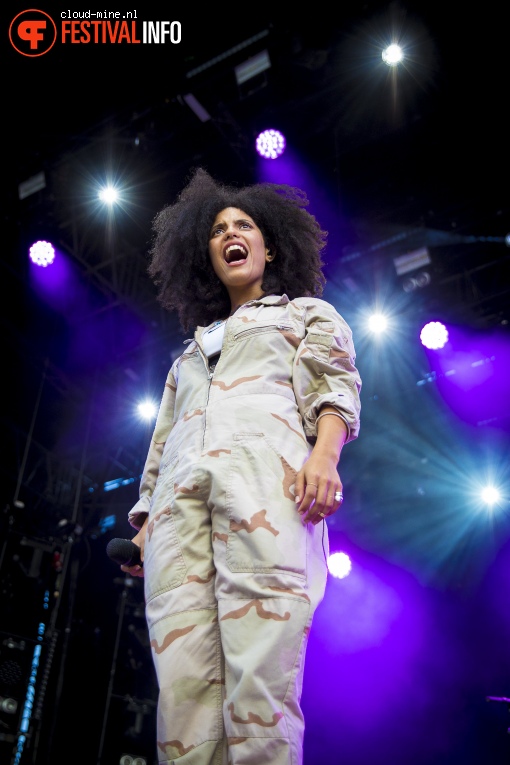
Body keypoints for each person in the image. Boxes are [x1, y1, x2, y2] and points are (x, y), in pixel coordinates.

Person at [120, 168, 361, 765]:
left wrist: (324, 457)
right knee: (183, 704)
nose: (230, 232)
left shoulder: (306, 314)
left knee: (260, 692)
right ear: (206, 254)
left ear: (268, 244)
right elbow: (160, 451)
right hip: (179, 521)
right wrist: (146, 522)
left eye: (243, 225)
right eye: (218, 229)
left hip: (267, 498)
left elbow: (335, 390)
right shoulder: (186, 359)